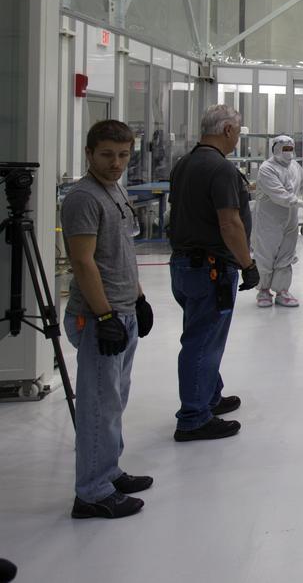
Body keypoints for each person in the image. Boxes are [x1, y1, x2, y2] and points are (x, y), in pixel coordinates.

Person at [61, 120, 154, 519]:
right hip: (99, 316)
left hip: (123, 310)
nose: (116, 163)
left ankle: (108, 471)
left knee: (114, 401)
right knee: (98, 406)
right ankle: (92, 493)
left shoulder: (114, 189)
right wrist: (104, 315)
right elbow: (83, 262)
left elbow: (122, 253)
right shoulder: (82, 198)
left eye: (123, 155)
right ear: (88, 153)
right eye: (107, 155)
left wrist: (139, 298)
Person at [168, 105, 258, 442]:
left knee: (200, 334)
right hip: (210, 268)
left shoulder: (184, 164)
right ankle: (193, 416)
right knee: (202, 342)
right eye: (238, 130)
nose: (237, 136)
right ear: (228, 130)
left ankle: (209, 396)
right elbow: (229, 222)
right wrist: (247, 264)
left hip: (184, 265)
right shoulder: (219, 169)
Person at [252, 135, 303, 308]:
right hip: (268, 220)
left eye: (290, 149)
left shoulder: (295, 167)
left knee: (286, 254)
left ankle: (282, 291)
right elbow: (280, 195)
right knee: (266, 255)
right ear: (275, 148)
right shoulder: (267, 168)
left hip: (290, 220)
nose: (288, 152)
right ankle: (263, 290)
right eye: (285, 149)